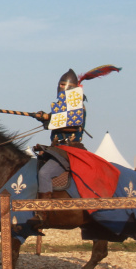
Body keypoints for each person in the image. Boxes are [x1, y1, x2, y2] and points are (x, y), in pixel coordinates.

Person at [32, 69, 87, 198]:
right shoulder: (60, 108)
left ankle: (43, 210)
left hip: (70, 151)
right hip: (56, 149)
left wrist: (48, 118)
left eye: (64, 84)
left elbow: (71, 125)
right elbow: (54, 120)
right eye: (60, 84)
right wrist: (42, 117)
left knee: (44, 173)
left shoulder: (78, 108)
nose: (61, 87)